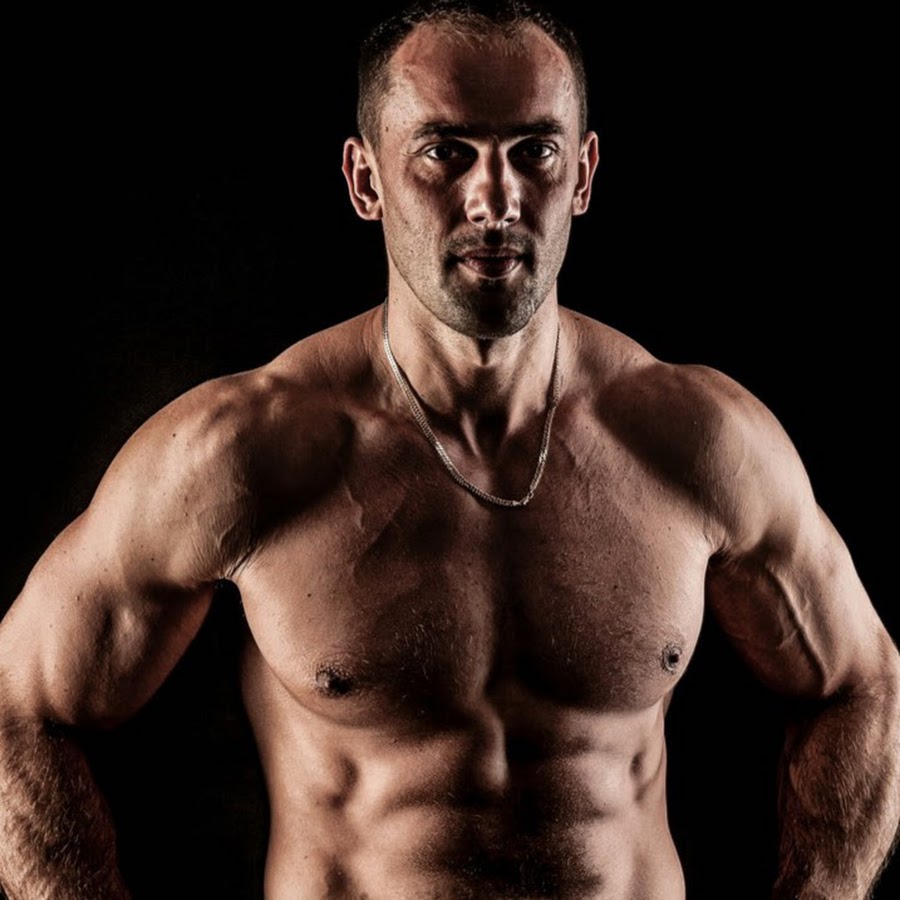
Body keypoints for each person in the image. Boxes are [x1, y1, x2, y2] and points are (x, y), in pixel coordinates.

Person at [1, 1, 898, 897]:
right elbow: (21, 703)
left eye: (534, 152)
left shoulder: (697, 441)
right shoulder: (244, 454)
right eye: (445, 152)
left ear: (583, 174)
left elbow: (860, 679)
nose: (495, 200)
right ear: (366, 181)